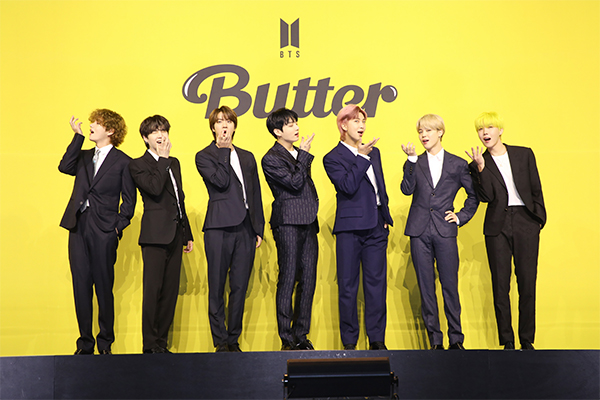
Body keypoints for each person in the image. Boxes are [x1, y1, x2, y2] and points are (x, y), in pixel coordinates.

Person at [465, 111, 546, 350]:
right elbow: (486, 197)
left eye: (489, 127)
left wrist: (538, 219)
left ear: (500, 130)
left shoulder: (524, 154)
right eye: (480, 129)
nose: (485, 132)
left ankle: (527, 340)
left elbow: (536, 188)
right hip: (497, 225)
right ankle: (507, 340)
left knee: (527, 282)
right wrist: (481, 169)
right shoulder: (477, 163)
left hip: (525, 221)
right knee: (500, 285)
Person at [59, 109, 136, 355]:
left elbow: (129, 201)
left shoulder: (124, 162)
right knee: (81, 285)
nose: (91, 125)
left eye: (97, 123)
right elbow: (64, 166)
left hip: (104, 229)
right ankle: (85, 343)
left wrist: (117, 227)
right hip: (78, 224)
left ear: (110, 130)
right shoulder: (82, 156)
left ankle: (105, 343)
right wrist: (78, 137)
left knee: (103, 286)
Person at [400, 114, 479, 350]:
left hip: (445, 230)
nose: (423, 135)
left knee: (449, 286)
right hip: (419, 231)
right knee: (426, 288)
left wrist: (460, 217)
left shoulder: (457, 164)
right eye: (420, 132)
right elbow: (406, 189)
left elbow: (473, 196)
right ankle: (435, 340)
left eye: (428, 130)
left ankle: (456, 339)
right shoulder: (414, 162)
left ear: (440, 132)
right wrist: (411, 161)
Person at [323, 104, 393, 350]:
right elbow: (347, 186)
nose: (361, 126)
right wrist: (361, 157)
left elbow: (380, 186)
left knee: (376, 285)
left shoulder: (375, 152)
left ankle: (377, 340)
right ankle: (350, 342)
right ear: (343, 125)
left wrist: (385, 214)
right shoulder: (332, 157)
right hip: (350, 229)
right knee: (348, 286)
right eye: (356, 121)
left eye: (363, 121)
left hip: (376, 227)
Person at [195, 105, 265, 352]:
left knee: (239, 286)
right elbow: (221, 182)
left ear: (235, 126)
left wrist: (258, 227)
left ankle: (233, 339)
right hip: (218, 226)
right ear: (213, 127)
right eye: (219, 121)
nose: (224, 125)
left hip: (245, 227)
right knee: (216, 285)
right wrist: (224, 151)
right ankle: (220, 340)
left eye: (229, 121)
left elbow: (254, 192)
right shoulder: (204, 156)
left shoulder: (247, 156)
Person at [128, 115, 194, 354]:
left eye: (164, 130)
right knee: (152, 290)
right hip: (154, 236)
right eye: (155, 131)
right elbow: (154, 189)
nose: (161, 135)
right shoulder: (137, 164)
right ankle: (149, 345)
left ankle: (162, 344)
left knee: (169, 292)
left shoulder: (174, 163)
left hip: (175, 233)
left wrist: (187, 233)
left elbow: (179, 198)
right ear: (145, 138)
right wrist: (163, 159)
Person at [261, 108, 319, 351]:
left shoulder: (298, 154)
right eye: (290, 124)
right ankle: (286, 338)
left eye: (296, 123)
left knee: (308, 279)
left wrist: (302, 155)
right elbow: (294, 184)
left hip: (308, 222)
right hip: (287, 222)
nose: (296, 127)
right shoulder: (271, 158)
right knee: (288, 278)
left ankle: (301, 335)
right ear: (277, 131)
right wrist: (303, 155)